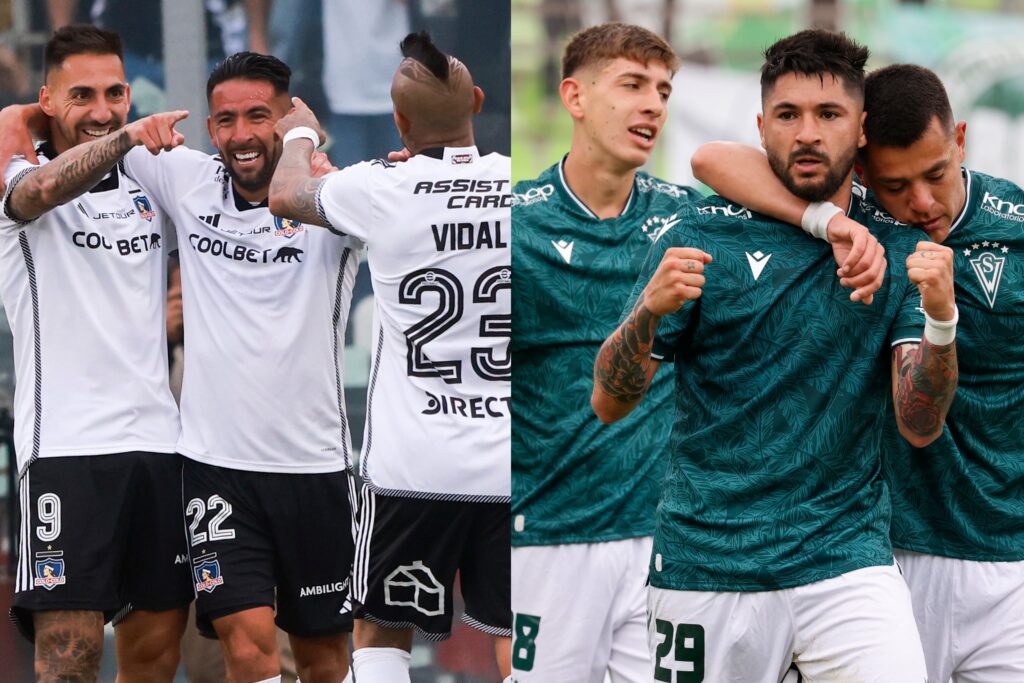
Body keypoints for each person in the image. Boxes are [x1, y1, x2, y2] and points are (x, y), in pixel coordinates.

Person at [592, 30, 958, 682]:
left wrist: (940, 318)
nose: (808, 133)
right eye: (788, 115)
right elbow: (609, 401)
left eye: (828, 114)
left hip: (845, 564)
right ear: (762, 125)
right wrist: (646, 313)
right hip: (706, 565)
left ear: (862, 128)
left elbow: (919, 421)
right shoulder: (700, 236)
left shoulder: (895, 248)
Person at [694, 63, 1024, 683]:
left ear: (961, 141)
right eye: (897, 185)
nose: (921, 203)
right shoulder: (862, 220)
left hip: (1011, 562)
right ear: (865, 166)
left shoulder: (1017, 226)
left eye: (936, 174)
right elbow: (711, 159)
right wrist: (827, 221)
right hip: (884, 556)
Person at [268, 31, 512, 683]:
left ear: (399, 121)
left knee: (380, 633)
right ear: (479, 102)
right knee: (523, 641)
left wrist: (301, 136)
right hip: (510, 461)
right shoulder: (526, 188)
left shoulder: (381, 187)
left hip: (413, 464)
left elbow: (285, 195)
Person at [509, 23, 700, 682]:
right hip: (547, 537)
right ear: (575, 96)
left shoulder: (686, 218)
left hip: (662, 543)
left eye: (663, 90)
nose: (653, 104)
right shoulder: (515, 226)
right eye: (632, 85)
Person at [0, 25, 188, 682]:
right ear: (46, 99)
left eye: (114, 93)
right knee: (69, 661)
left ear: (130, 93)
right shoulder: (21, 178)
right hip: (66, 450)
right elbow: (39, 193)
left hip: (161, 445)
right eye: (81, 94)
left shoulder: (151, 182)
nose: (102, 109)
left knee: (158, 661)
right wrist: (127, 136)